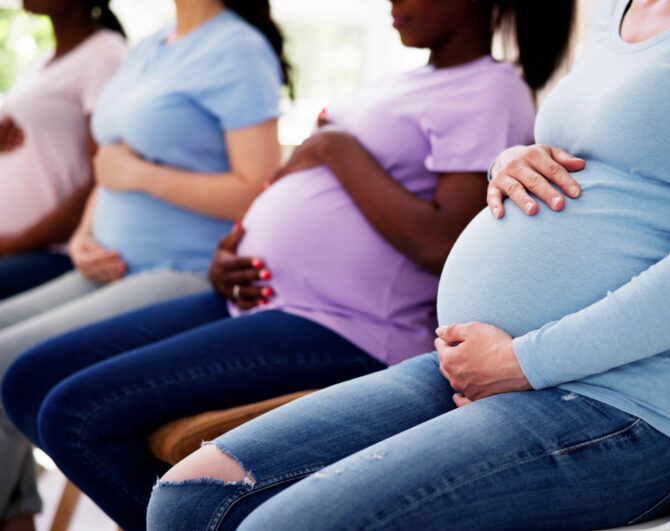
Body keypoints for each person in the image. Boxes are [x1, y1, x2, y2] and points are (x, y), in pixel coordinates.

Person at [143, 0, 670, 529]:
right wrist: (512, 161)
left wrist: (526, 360)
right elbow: (591, 151)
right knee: (186, 499)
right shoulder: (620, 7)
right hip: (470, 368)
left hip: (618, 404)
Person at [1, 0, 573, 529]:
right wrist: (234, 247)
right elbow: (288, 189)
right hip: (253, 295)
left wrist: (336, 149)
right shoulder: (406, 82)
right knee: (26, 380)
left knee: (78, 415)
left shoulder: (493, 90)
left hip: (349, 324)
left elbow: (443, 244)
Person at [0, 0, 289, 527]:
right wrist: (86, 235)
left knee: (6, 361)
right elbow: (109, 157)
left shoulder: (239, 49)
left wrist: (139, 177)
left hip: (180, 268)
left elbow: (257, 189)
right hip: (106, 262)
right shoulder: (151, 45)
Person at [0, 0, 127, 303]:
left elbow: (105, 174)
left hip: (55, 250)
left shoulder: (104, 55)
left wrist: (10, 245)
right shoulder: (41, 63)